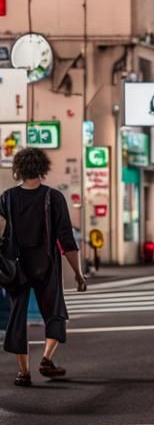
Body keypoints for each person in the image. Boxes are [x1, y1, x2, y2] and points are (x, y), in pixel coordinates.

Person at [0, 149, 87, 386]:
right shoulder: (53, 197)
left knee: (17, 318)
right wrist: (79, 274)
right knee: (55, 312)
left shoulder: (7, 198)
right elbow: (67, 241)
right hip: (46, 265)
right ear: (42, 169)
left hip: (16, 268)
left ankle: (23, 372)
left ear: (18, 169)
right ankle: (47, 358)